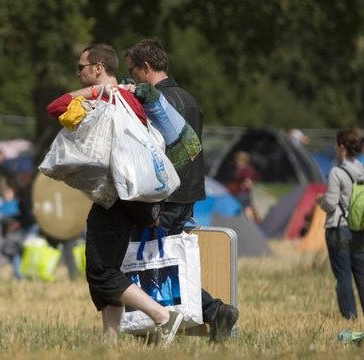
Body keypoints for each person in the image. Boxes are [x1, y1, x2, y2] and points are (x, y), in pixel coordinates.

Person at [46, 43, 183, 346]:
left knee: (100, 270)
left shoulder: (107, 97)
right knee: (105, 267)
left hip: (117, 198)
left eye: (81, 68)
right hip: (133, 196)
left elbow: (55, 107)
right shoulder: (130, 97)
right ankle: (109, 341)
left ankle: (162, 316)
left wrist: (94, 92)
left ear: (97, 68)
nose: (77, 73)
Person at [125, 38, 239, 342]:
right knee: (167, 263)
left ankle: (212, 311)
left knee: (148, 264)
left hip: (163, 196)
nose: (131, 78)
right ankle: (208, 314)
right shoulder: (190, 99)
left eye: (132, 71)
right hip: (189, 192)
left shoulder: (152, 102)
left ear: (145, 68)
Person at [316, 129, 364, 320]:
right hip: (360, 228)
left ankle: (350, 317)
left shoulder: (337, 172)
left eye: (336, 144)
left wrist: (321, 200)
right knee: (362, 274)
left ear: (341, 147)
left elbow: (331, 203)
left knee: (343, 276)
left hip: (339, 227)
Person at [231, 151, 261, 223]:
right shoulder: (251, 168)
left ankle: (239, 222)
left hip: (242, 192)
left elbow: (240, 178)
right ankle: (251, 222)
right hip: (247, 192)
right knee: (248, 208)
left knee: (239, 207)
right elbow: (256, 177)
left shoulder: (242, 169)